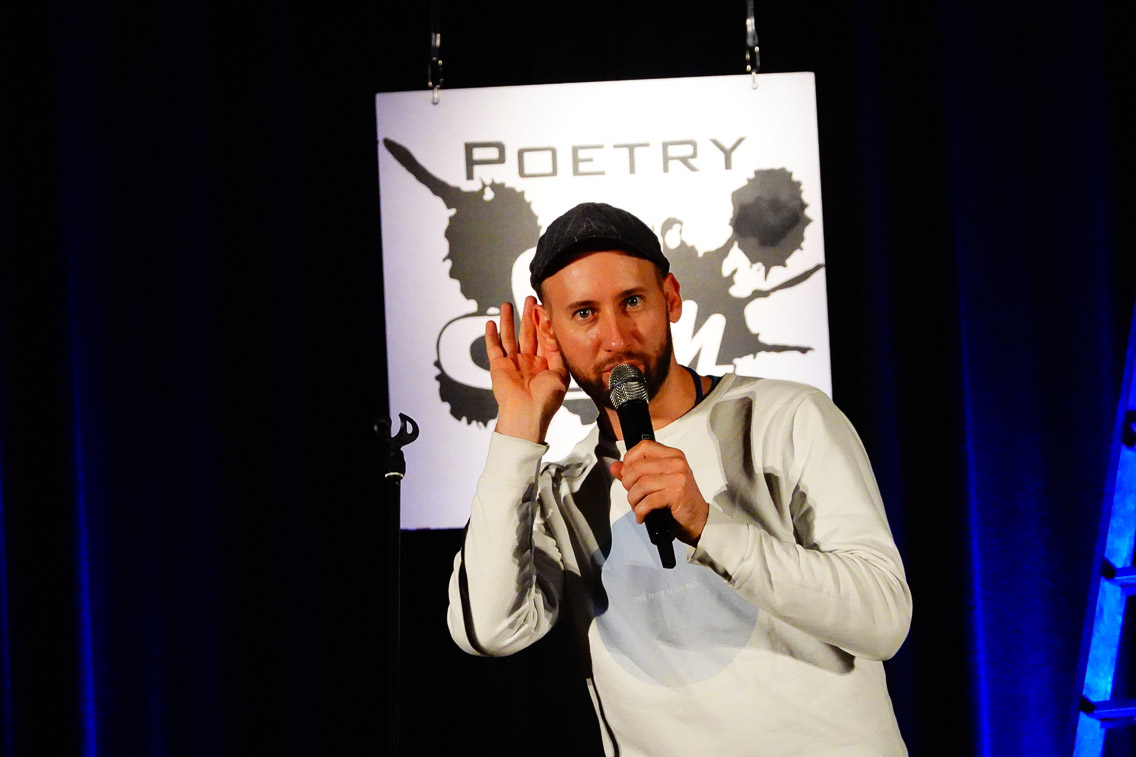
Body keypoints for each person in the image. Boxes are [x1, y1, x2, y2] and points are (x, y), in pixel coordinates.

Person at [446, 201, 912, 756]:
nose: (616, 337)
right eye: (585, 313)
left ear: (670, 297)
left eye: (632, 301)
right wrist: (518, 432)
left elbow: (884, 619)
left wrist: (711, 529)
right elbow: (488, 631)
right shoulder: (562, 489)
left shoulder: (787, 417)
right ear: (549, 327)